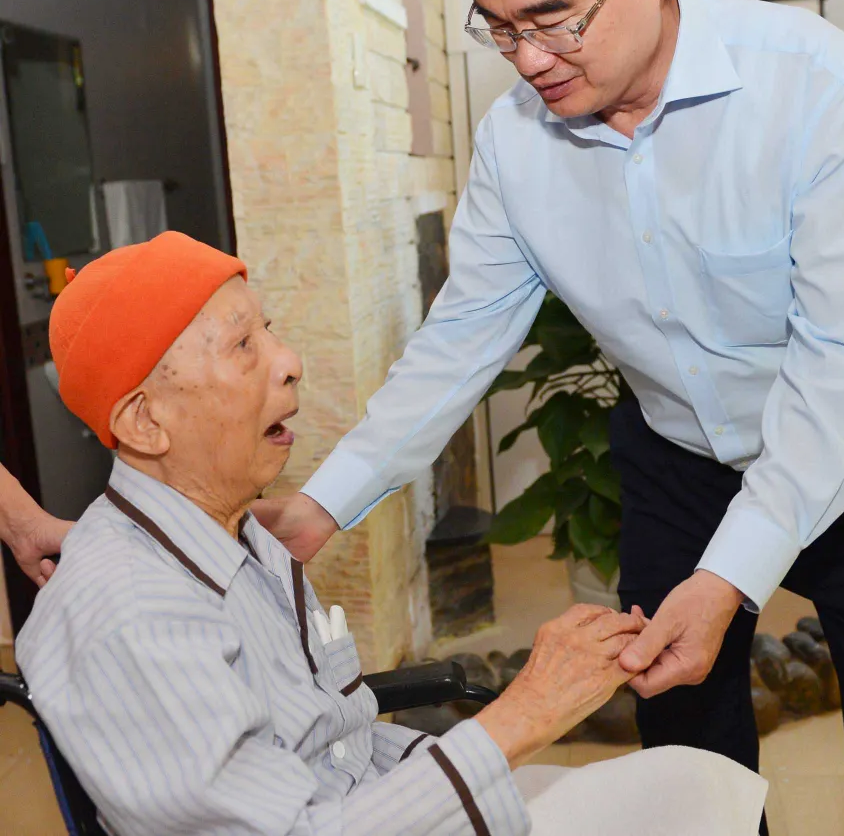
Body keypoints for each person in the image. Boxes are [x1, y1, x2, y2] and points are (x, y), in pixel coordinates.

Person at [243, 0, 844, 835]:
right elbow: (457, 346)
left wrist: (729, 577)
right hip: (677, 463)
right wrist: (322, 505)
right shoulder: (516, 147)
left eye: (553, 20)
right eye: (499, 27)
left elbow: (843, 363)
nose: (527, 59)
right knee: (682, 752)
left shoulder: (814, 84)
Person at [13, 231, 659, 836]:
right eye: (243, 345)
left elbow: (336, 748)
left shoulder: (240, 532)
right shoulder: (131, 617)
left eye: (268, 329)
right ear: (145, 422)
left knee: (681, 787)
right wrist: (525, 714)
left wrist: (492, 746)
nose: (289, 361)